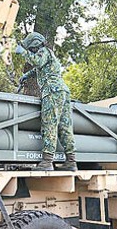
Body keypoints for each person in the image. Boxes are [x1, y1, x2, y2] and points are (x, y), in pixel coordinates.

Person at [14, 32, 76, 171]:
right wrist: (26, 76)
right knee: (64, 127)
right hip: (62, 91)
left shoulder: (43, 52)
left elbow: (37, 61)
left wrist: (23, 52)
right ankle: (71, 161)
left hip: (52, 91)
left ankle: (47, 162)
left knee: (49, 124)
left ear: (34, 44)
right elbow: (38, 68)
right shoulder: (48, 54)